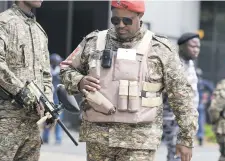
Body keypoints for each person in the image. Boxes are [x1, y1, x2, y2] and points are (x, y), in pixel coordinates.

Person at [60, 1, 198, 161]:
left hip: (139, 142)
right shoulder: (94, 42)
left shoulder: (160, 49)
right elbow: (65, 69)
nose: (120, 25)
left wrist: (186, 139)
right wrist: (79, 81)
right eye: (115, 20)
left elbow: (182, 96)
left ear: (140, 16)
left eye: (127, 20)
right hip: (99, 140)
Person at [0, 1, 54, 161]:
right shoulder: (4, 23)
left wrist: (49, 104)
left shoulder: (39, 32)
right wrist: (21, 91)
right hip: (6, 119)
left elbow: (46, 74)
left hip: (33, 124)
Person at [162, 32, 200, 161]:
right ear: (182, 46)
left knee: (176, 154)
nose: (196, 50)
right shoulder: (175, 64)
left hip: (187, 118)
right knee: (178, 153)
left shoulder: (189, 64)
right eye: (192, 46)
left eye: (198, 47)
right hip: (174, 117)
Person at [42, 53, 63, 145]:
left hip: (58, 100)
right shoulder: (47, 71)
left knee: (58, 120)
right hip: (48, 98)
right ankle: (45, 138)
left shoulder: (61, 72)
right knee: (47, 119)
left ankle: (58, 138)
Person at [196, 68, 214, 146]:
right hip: (191, 104)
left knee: (200, 121)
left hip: (199, 104)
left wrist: (207, 99)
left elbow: (213, 91)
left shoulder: (203, 83)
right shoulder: (190, 81)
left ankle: (200, 137)